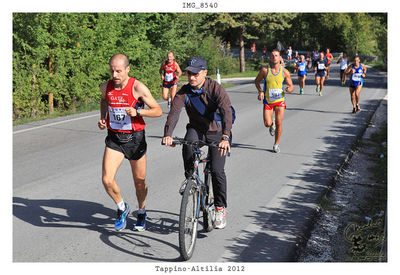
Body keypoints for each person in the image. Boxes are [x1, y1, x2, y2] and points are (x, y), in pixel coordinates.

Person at [162, 57, 233, 229]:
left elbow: (226, 111)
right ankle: (190, 178)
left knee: (217, 170)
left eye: (196, 73)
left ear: (205, 73)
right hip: (197, 130)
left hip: (217, 132)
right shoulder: (184, 92)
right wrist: (168, 134)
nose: (192, 77)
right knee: (188, 143)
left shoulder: (215, 88)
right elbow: (174, 113)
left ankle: (220, 208)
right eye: (189, 73)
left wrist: (225, 137)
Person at [98, 53, 162, 232]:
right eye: (112, 70)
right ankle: (122, 207)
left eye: (118, 71)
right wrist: (103, 117)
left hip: (135, 139)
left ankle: (141, 211)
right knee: (107, 179)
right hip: (115, 138)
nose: (114, 75)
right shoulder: (106, 87)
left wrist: (138, 112)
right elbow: (104, 100)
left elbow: (157, 111)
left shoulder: (138, 88)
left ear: (127, 69)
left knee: (139, 183)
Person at [254, 49, 294, 153]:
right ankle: (271, 126)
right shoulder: (265, 70)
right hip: (268, 101)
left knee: (279, 123)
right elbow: (257, 81)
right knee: (267, 123)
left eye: (276, 55)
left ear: (280, 58)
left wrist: (290, 88)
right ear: (270, 58)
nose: (274, 57)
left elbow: (291, 86)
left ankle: (276, 144)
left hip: (280, 100)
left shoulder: (285, 72)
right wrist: (261, 91)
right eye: (272, 55)